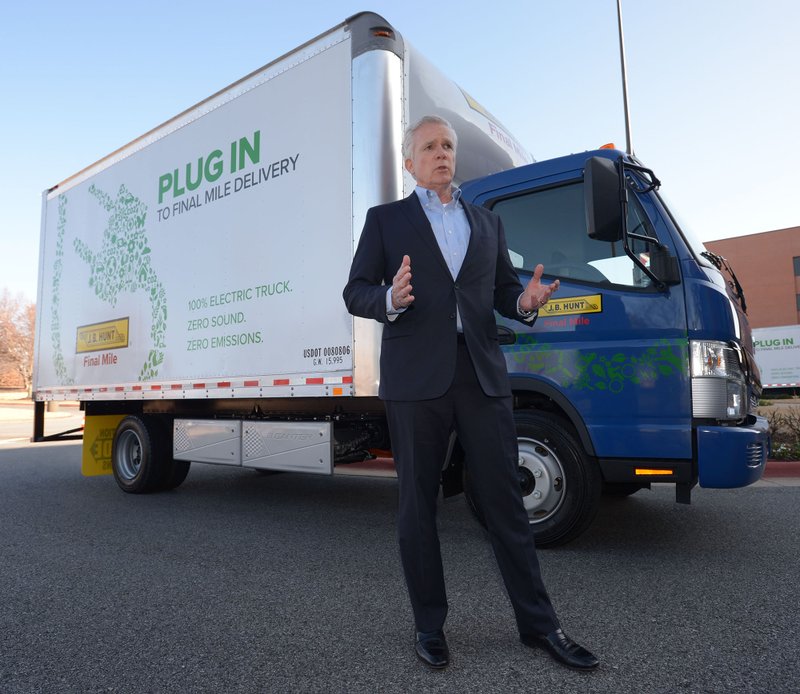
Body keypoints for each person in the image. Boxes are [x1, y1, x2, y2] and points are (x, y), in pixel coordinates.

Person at [342, 115, 598, 671]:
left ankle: (540, 626)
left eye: (448, 146)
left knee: (506, 502)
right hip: (417, 380)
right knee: (418, 506)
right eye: (429, 146)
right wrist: (390, 297)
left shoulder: (485, 224)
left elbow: (505, 293)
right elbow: (355, 291)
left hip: (481, 375)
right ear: (410, 161)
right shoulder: (386, 221)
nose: (442, 153)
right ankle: (430, 627)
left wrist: (526, 302)